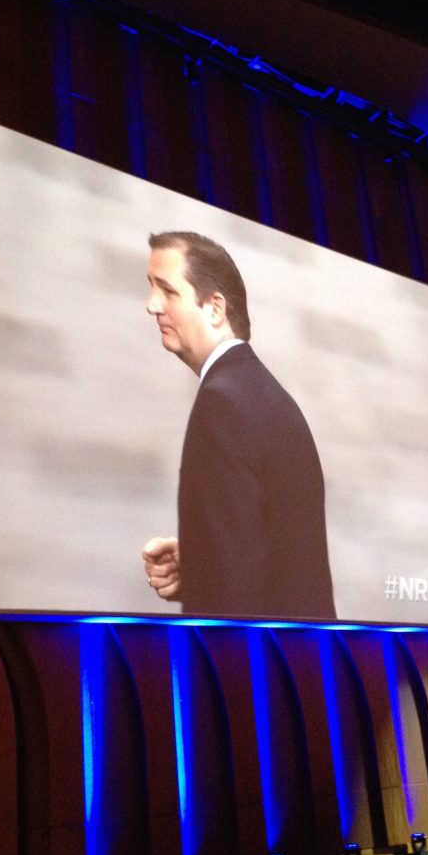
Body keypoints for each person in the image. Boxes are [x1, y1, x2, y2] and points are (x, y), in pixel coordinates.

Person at [142, 230, 335, 620]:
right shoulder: (269, 396)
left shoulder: (221, 403)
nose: (151, 306)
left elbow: (232, 599)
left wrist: (210, 573)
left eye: (168, 290)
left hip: (252, 676)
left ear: (215, 308)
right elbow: (272, 554)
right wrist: (200, 561)